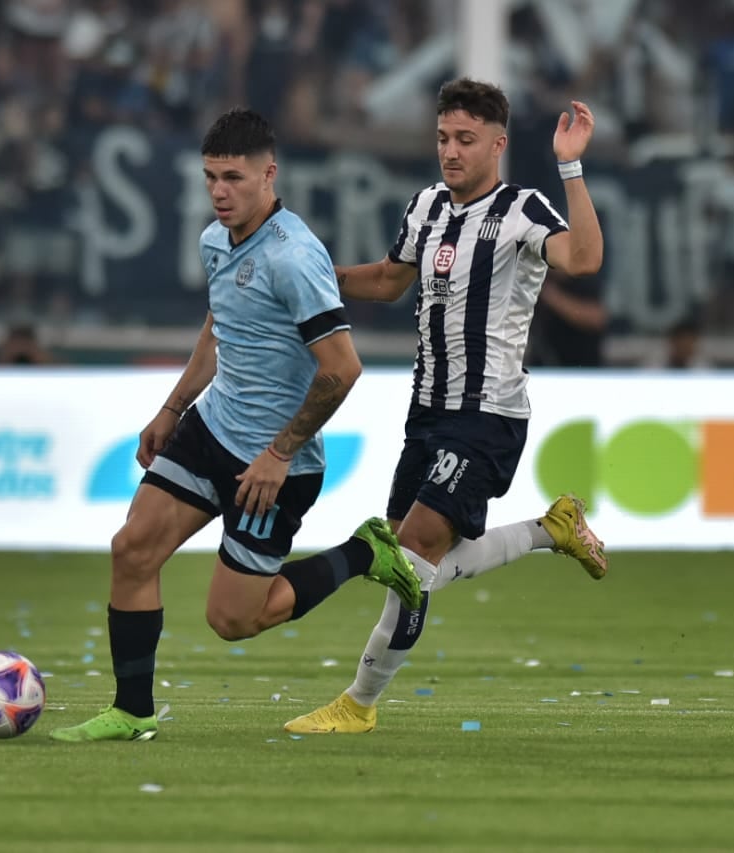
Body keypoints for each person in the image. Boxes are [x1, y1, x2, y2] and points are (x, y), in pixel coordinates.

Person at [50, 107, 421, 743]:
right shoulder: (215, 241)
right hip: (211, 429)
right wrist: (171, 410)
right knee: (131, 549)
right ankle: (133, 710)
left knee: (234, 621)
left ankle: (367, 552)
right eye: (210, 178)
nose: (220, 192)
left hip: (276, 466)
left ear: (268, 175)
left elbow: (342, 368)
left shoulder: (296, 258)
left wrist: (279, 454)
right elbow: (220, 329)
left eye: (233, 178)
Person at [282, 79, 608, 735]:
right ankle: (552, 529)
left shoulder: (522, 207)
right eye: (442, 138)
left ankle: (359, 703)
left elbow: (582, 257)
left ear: (497, 143)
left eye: (464, 140)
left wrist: (569, 163)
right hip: (426, 411)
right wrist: (314, 276)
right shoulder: (427, 206)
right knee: (408, 562)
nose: (450, 152)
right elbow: (389, 277)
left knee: (410, 556)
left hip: (488, 413)